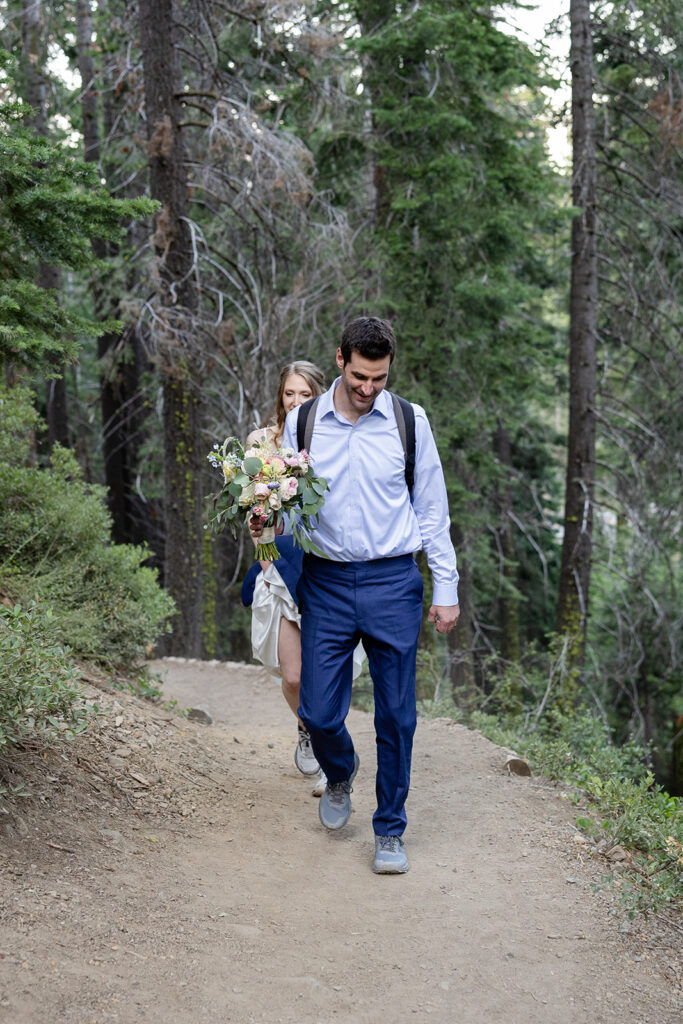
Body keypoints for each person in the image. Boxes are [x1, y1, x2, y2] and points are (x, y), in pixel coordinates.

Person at [255, 317, 459, 874]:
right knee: (319, 711)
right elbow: (280, 502)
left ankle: (389, 829)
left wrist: (447, 588)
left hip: (394, 582)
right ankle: (340, 769)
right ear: (340, 358)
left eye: (381, 378)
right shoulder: (303, 423)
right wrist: (263, 518)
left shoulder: (408, 422)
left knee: (397, 715)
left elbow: (432, 511)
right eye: (361, 376)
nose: (370, 388)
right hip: (325, 581)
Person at [241, 361, 363, 797]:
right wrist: (260, 535)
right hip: (280, 565)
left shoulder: (333, 440)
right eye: (289, 394)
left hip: (325, 567)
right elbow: (253, 506)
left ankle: (333, 765)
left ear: (318, 396)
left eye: (304, 395)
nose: (295, 402)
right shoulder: (260, 442)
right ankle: (307, 729)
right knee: (292, 678)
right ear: (280, 396)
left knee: (324, 674)